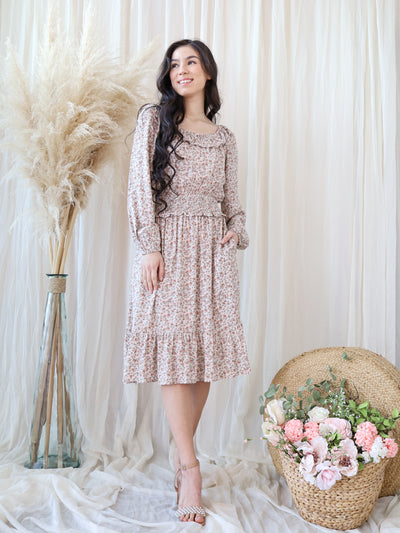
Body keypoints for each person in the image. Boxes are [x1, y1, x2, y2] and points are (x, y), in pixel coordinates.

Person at [123, 39, 250, 525]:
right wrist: (150, 246)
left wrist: (236, 231)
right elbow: (139, 186)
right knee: (175, 357)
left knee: (203, 359)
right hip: (169, 248)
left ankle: (181, 459)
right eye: (174, 64)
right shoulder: (153, 122)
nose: (182, 70)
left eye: (191, 62)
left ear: (207, 72)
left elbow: (233, 204)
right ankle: (191, 470)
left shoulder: (224, 138)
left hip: (212, 255)